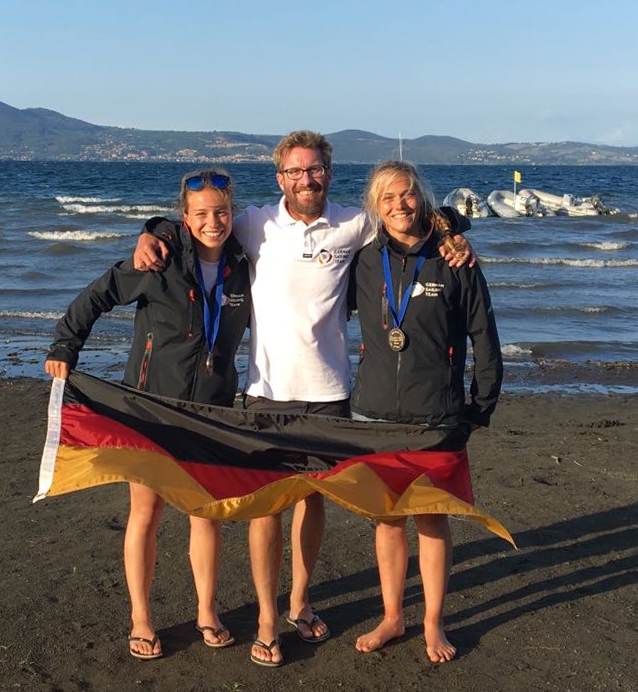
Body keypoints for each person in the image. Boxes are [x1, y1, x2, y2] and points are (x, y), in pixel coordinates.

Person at [133, 131, 473, 667]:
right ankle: (268, 619)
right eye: (295, 172)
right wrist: (152, 232)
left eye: (314, 170)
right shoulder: (254, 223)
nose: (305, 179)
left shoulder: (353, 225)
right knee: (265, 511)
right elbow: (198, 225)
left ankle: (300, 601)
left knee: (313, 504)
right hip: (266, 391)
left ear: (329, 173)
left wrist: (453, 231)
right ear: (280, 178)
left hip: (331, 394)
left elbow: (410, 219)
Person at [45, 169, 251, 660]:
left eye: (221, 212)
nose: (213, 222)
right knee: (147, 512)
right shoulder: (158, 261)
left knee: (206, 513)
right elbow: (98, 294)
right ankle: (141, 617)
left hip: (212, 410)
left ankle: (206, 610)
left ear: (232, 213)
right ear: (186, 218)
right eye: (201, 214)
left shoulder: (244, 264)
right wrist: (65, 344)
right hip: (151, 407)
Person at [347, 160, 503, 663]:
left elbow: (484, 335)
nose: (399, 205)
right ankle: (393, 617)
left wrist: (481, 404)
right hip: (373, 414)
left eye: (408, 195)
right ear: (375, 205)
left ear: (423, 199)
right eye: (388, 198)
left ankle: (433, 622)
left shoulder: (454, 261)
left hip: (437, 414)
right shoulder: (364, 261)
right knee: (387, 520)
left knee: (433, 520)